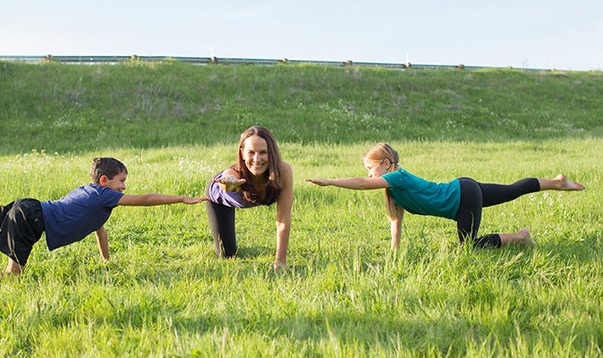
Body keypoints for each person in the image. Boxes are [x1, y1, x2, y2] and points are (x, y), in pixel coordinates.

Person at [0, 157, 207, 276]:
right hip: (32, 219)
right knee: (12, 276)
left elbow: (99, 230)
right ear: (106, 181)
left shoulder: (92, 196)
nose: (126, 188)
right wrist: (182, 198)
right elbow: (148, 199)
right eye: (122, 181)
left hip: (29, 207)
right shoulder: (108, 195)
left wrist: (106, 261)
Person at [306, 143, 585, 249]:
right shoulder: (393, 190)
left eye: (370, 168)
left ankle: (520, 237)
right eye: (366, 170)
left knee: (468, 248)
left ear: (387, 164)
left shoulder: (398, 176)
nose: (368, 175)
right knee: (511, 190)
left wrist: (331, 181)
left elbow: (363, 185)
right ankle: (557, 183)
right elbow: (396, 221)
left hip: (462, 195)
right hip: (464, 190)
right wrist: (394, 252)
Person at [206, 126, 294, 270]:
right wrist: (229, 183)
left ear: (272, 153)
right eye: (251, 152)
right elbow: (227, 181)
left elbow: (283, 220)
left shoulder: (283, 172)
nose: (257, 159)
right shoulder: (234, 174)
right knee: (227, 254)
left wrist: (280, 261)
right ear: (242, 153)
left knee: (229, 254)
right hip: (218, 200)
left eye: (263, 152)